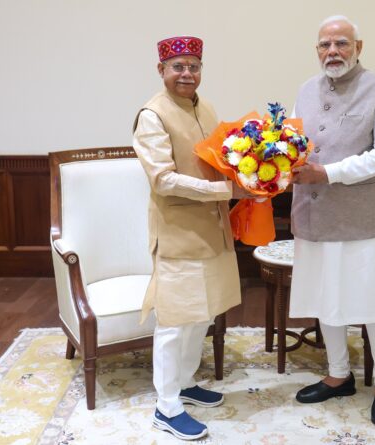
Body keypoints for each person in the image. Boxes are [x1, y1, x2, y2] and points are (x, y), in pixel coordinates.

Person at [289, 16, 375, 426]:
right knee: (325, 298)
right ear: (317, 50)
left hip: (359, 217)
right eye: (324, 45)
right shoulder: (304, 89)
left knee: (372, 304)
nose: (332, 51)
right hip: (313, 213)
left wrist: (328, 173)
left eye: (341, 43)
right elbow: (295, 144)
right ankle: (339, 375)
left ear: (358, 46)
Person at [133, 36, 242, 441]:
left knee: (203, 313)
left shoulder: (206, 107)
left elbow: (222, 160)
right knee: (176, 320)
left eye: (193, 66)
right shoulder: (152, 115)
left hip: (212, 228)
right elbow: (162, 180)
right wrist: (226, 192)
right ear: (161, 70)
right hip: (178, 233)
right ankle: (166, 406)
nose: (187, 74)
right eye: (178, 66)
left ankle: (184, 382)